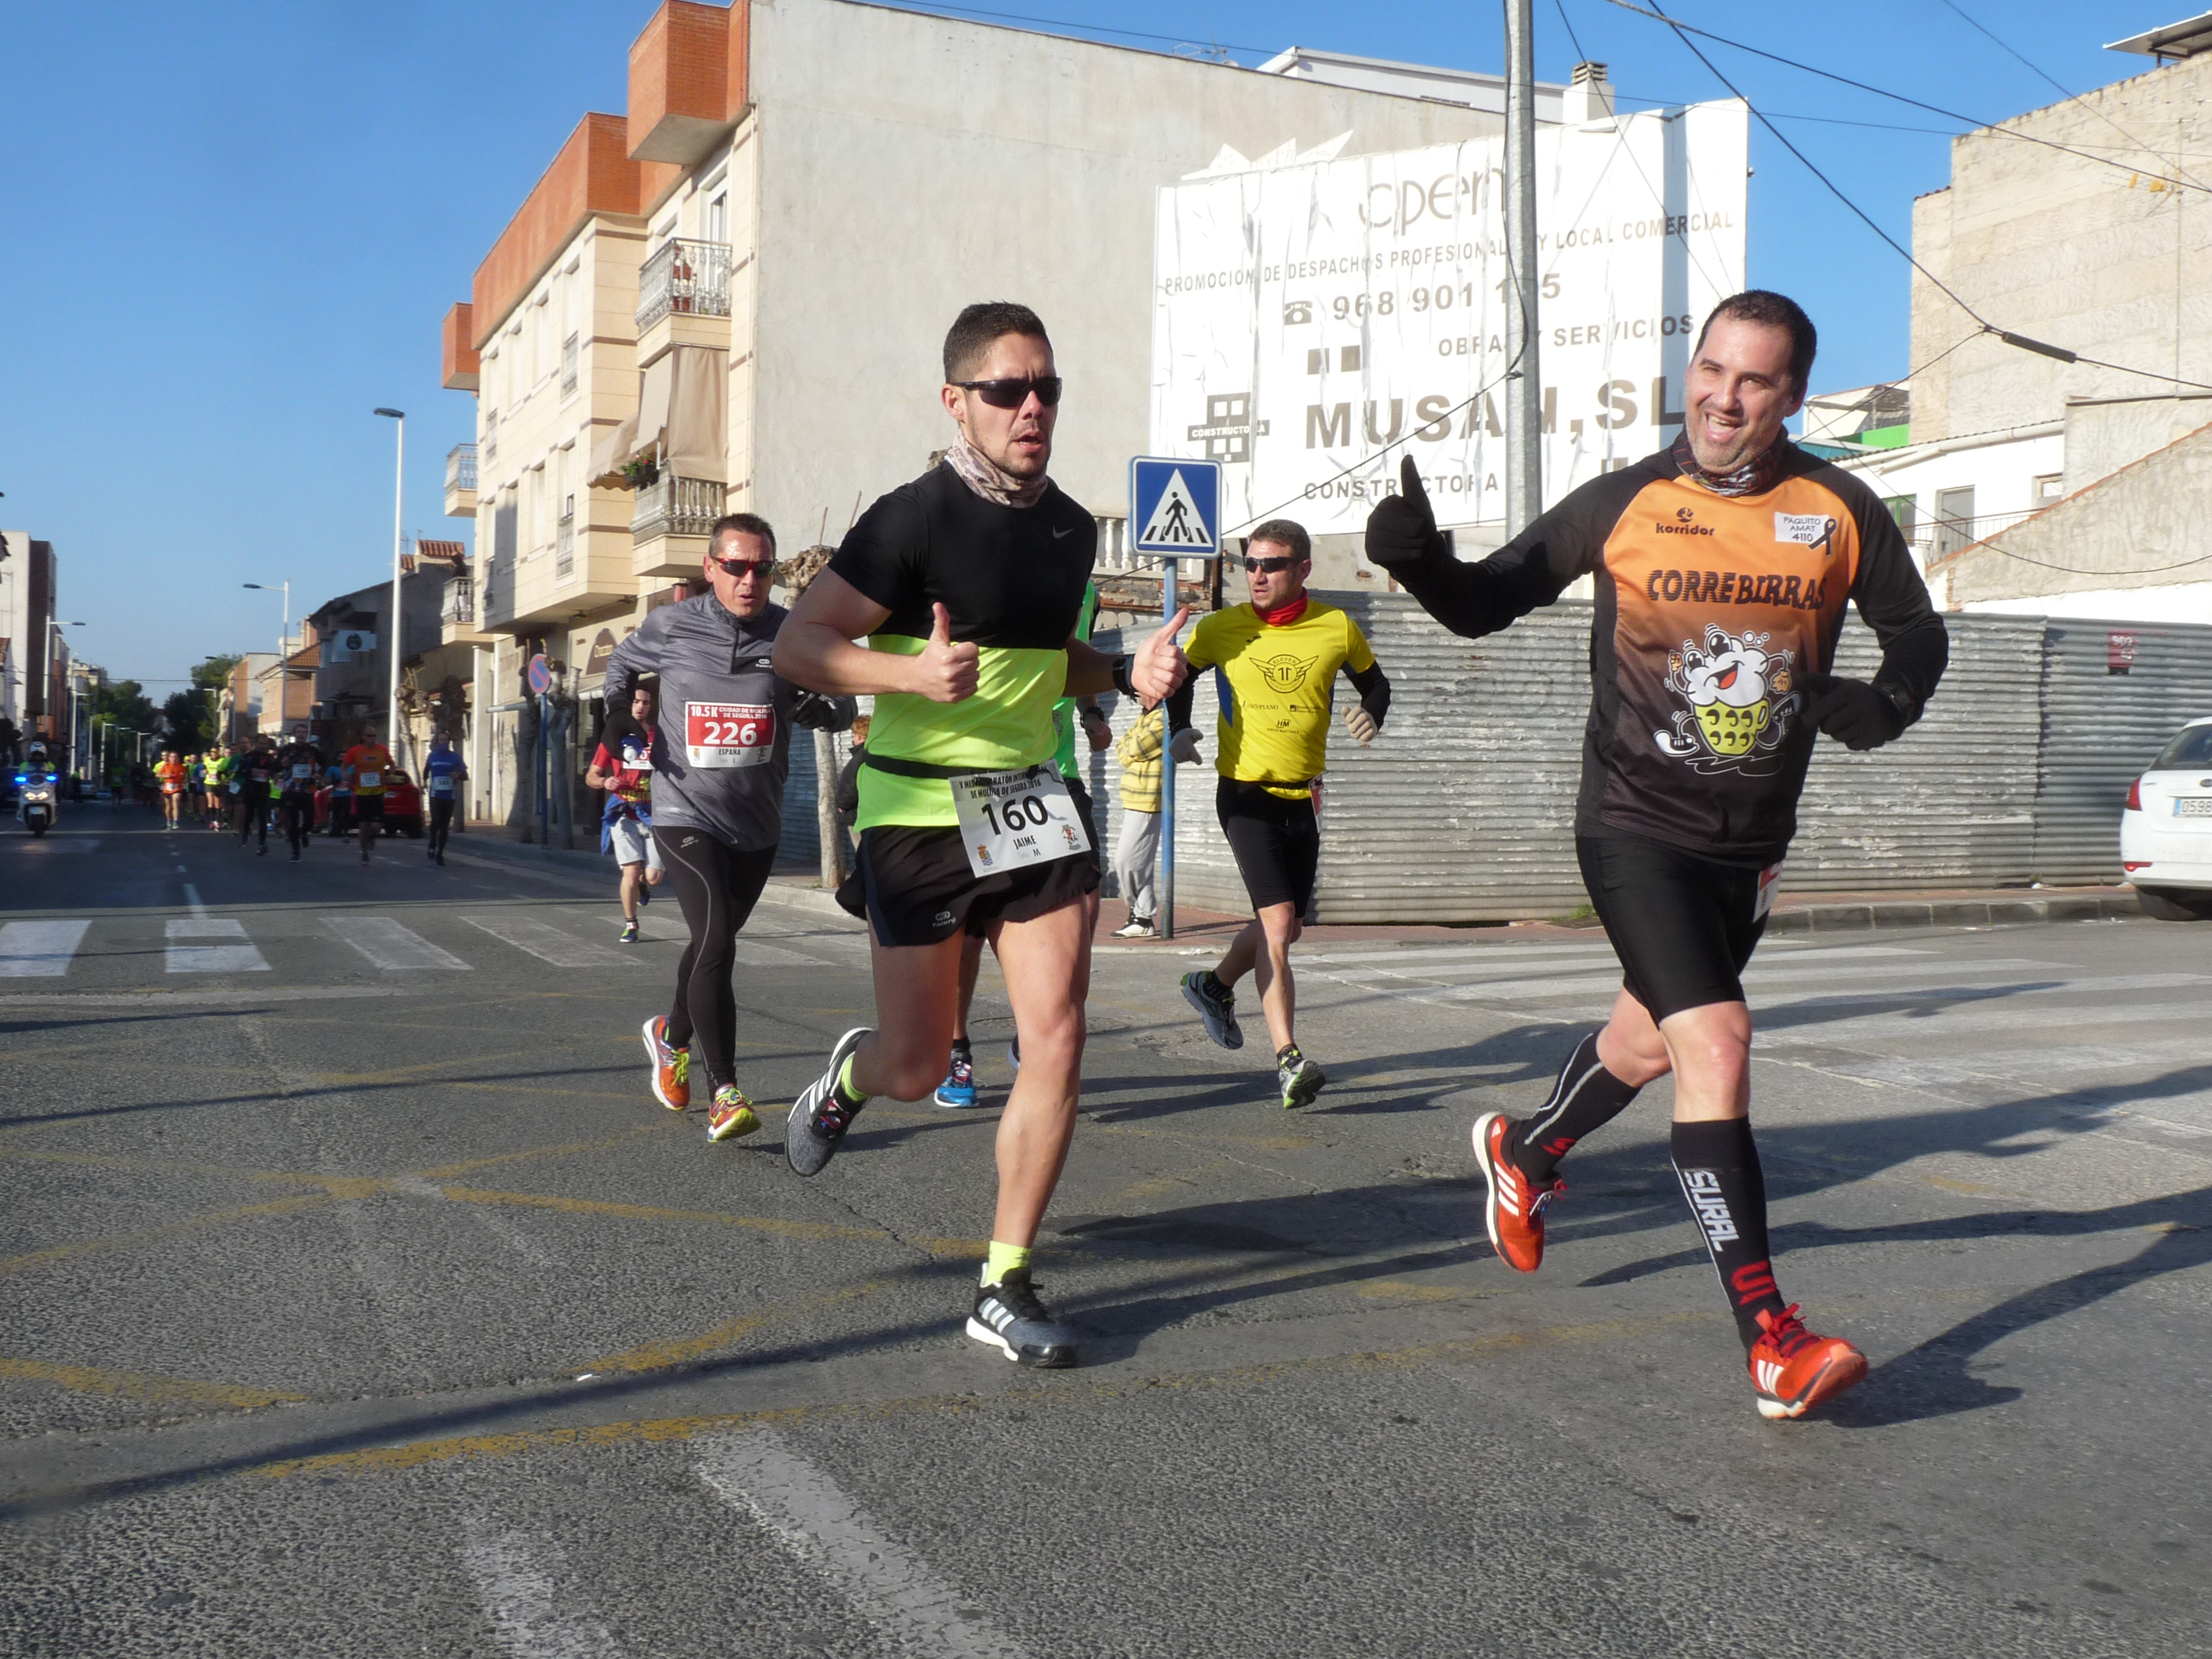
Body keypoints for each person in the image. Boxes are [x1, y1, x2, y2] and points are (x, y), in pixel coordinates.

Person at [1362, 290, 1949, 1421]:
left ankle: (1526, 1152)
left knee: (1642, 1040)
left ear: (1791, 397)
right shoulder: (1625, 500)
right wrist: (1422, 563)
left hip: (1751, 847)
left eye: (1754, 380)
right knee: (1714, 1040)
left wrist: (1890, 701)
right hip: (1633, 827)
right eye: (1711, 369)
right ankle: (1770, 1339)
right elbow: (1486, 602)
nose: (1723, 397)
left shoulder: (1837, 509)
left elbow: (1916, 631)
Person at [774, 301, 1187, 1369]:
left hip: (1030, 802)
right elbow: (799, 643)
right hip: (915, 809)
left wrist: (1124, 668)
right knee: (917, 1064)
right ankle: (851, 1080)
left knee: (1058, 1034)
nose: (1032, 407)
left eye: (1047, 387)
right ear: (957, 401)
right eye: (1008, 389)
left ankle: (1003, 1279)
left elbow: (1051, 657)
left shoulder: (1068, 528)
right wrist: (907, 673)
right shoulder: (909, 520)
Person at [609, 515, 854, 1139]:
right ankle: (725, 1090)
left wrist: (819, 707)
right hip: (684, 811)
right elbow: (621, 664)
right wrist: (614, 715)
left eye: (762, 569)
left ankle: (671, 1035)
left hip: (757, 821)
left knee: (708, 945)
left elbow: (842, 703)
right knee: (718, 938)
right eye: (737, 567)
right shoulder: (673, 625)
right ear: (710, 568)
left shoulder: (792, 633)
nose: (750, 580)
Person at [1168, 519, 1391, 1110]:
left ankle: (1213, 986)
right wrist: (1179, 727)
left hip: (1304, 798)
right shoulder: (1221, 628)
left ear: (1303, 569)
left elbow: (1376, 685)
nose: (1258, 575)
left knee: (1286, 927)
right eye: (1250, 564)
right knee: (1277, 924)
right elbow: (1180, 677)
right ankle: (1289, 1059)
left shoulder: (1336, 627)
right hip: (1245, 796)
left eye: (1272, 564)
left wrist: (1372, 713)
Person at [933, 579, 1108, 1110]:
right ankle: (956, 1050)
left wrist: (1091, 713)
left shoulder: (1083, 587)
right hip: (982, 777)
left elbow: (1073, 655)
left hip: (1056, 775)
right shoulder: (977, 569)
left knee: (1085, 907)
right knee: (968, 937)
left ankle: (1040, 1028)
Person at [586, 683, 663, 942]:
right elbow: (591, 776)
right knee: (630, 871)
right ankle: (631, 924)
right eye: (636, 701)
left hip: (653, 813)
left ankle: (644, 883)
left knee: (653, 877)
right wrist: (604, 782)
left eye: (645, 702)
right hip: (623, 811)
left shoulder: (659, 737)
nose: (640, 706)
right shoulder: (613, 736)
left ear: (650, 707)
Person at [1110, 705, 1165, 937]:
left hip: (1149, 797)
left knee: (1128, 861)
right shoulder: (1145, 717)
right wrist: (1132, 747)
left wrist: (1132, 747)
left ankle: (1142, 916)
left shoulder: (1163, 717)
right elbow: (1120, 751)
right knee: (1138, 862)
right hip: (1134, 797)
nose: (1136, 696)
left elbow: (1135, 747)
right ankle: (1141, 918)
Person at [343, 727, 397, 863]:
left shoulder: (382, 749)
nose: (373, 738)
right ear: (363, 737)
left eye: (374, 736)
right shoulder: (355, 751)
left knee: (376, 826)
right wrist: (345, 775)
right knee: (363, 825)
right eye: (370, 736)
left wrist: (391, 776)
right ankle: (364, 852)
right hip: (361, 793)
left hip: (378, 792)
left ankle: (372, 837)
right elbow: (344, 766)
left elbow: (392, 765)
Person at [275, 726, 323, 862]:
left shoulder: (312, 750)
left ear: (307, 735)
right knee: (293, 822)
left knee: (310, 821)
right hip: (291, 790)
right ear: (294, 734)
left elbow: (325, 763)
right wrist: (282, 765)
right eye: (299, 732)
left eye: (304, 733)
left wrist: (319, 773)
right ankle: (296, 852)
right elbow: (276, 767)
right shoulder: (286, 750)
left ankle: (304, 832)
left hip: (308, 790)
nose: (301, 735)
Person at [421, 730, 466, 865]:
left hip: (449, 796)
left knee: (445, 825)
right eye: (441, 740)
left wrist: (458, 775)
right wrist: (424, 783)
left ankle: (440, 854)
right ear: (437, 742)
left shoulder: (455, 757)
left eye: (445, 740)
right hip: (435, 795)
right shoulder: (432, 756)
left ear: (449, 742)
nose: (443, 743)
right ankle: (432, 843)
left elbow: (465, 776)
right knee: (436, 820)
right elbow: (426, 771)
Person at [235, 737, 278, 853]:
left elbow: (274, 771)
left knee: (263, 818)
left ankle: (262, 843)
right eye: (261, 744)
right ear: (256, 744)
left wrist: (274, 776)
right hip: (250, 790)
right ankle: (245, 834)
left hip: (264, 791)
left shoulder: (270, 759)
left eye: (266, 744)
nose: (264, 746)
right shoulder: (249, 757)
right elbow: (239, 773)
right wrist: (249, 773)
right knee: (249, 816)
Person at [324, 748, 353, 839]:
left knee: (347, 814)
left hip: (348, 794)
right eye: (341, 757)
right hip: (336, 795)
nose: (343, 759)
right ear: (337, 758)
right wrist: (333, 781)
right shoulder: (333, 769)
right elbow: (326, 780)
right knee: (336, 813)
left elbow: (357, 779)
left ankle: (346, 832)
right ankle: (336, 830)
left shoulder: (351, 768)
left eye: (345, 757)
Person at [155, 750, 187, 830]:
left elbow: (185, 776)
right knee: (168, 806)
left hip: (177, 787)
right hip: (168, 787)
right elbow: (157, 775)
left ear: (178, 758)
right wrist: (166, 776)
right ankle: (168, 821)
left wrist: (184, 780)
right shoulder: (166, 766)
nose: (174, 759)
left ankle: (175, 822)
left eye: (176, 757)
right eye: (172, 757)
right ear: (169, 758)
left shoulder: (182, 767)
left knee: (175, 802)